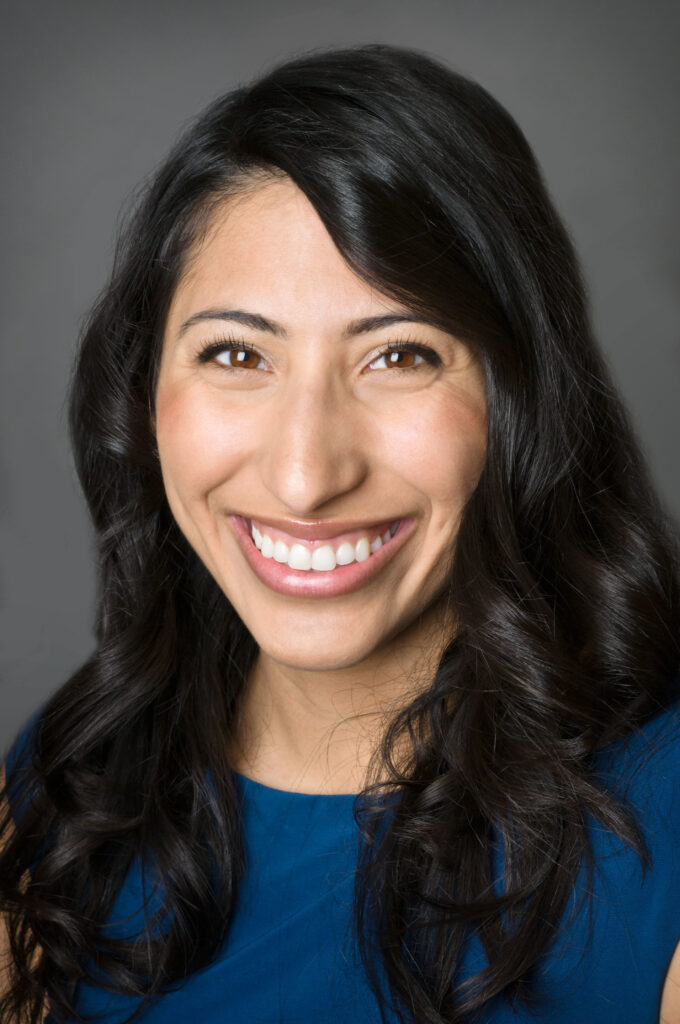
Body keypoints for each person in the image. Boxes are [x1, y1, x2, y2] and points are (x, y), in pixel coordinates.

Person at [1, 43, 679, 1024]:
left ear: (517, 398)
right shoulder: (65, 794)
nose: (305, 476)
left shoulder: (660, 826)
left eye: (398, 355)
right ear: (143, 393)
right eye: (236, 353)